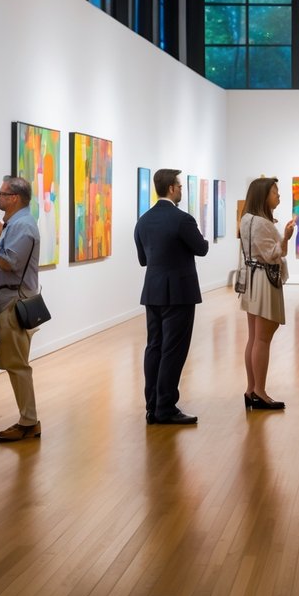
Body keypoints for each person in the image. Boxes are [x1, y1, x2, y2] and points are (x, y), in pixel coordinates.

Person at [135, 169, 209, 425]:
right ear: (172, 189)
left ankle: (152, 405)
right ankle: (165, 407)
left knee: (154, 347)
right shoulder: (182, 219)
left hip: (153, 291)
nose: (181, 190)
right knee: (173, 350)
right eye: (179, 186)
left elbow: (143, 260)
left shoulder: (143, 221)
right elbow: (201, 249)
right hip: (179, 292)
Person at [0, 175, 43, 442]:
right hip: (13, 299)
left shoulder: (22, 226)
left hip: (14, 302)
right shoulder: (17, 223)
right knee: (15, 363)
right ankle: (28, 419)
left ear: (14, 198)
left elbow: (9, 262)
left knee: (18, 365)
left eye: (1, 193)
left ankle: (28, 421)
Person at [239, 177, 295, 410]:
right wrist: (286, 237)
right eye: (275, 192)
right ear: (264, 196)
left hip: (252, 279)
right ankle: (260, 392)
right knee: (262, 339)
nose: (278, 196)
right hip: (263, 280)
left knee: (254, 337)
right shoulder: (262, 223)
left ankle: (252, 389)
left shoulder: (246, 219)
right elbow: (274, 254)